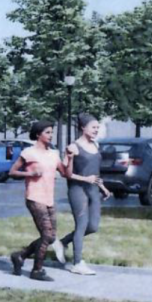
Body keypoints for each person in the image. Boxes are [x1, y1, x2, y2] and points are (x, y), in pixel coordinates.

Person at [8, 120, 74, 281]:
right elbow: (12, 172)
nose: (51, 135)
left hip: (49, 199)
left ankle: (20, 255)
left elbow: (66, 174)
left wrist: (70, 158)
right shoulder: (28, 153)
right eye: (47, 132)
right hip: (34, 197)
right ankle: (37, 270)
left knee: (51, 236)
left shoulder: (53, 153)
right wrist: (30, 174)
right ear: (38, 134)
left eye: (52, 132)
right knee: (46, 235)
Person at [56, 113, 112, 275]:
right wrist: (85, 178)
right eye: (93, 127)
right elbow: (65, 173)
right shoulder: (73, 147)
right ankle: (77, 263)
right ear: (83, 128)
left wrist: (103, 187)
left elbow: (95, 172)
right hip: (77, 189)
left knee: (93, 226)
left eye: (97, 127)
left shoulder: (95, 146)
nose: (96, 130)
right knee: (81, 225)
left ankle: (63, 242)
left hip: (93, 189)